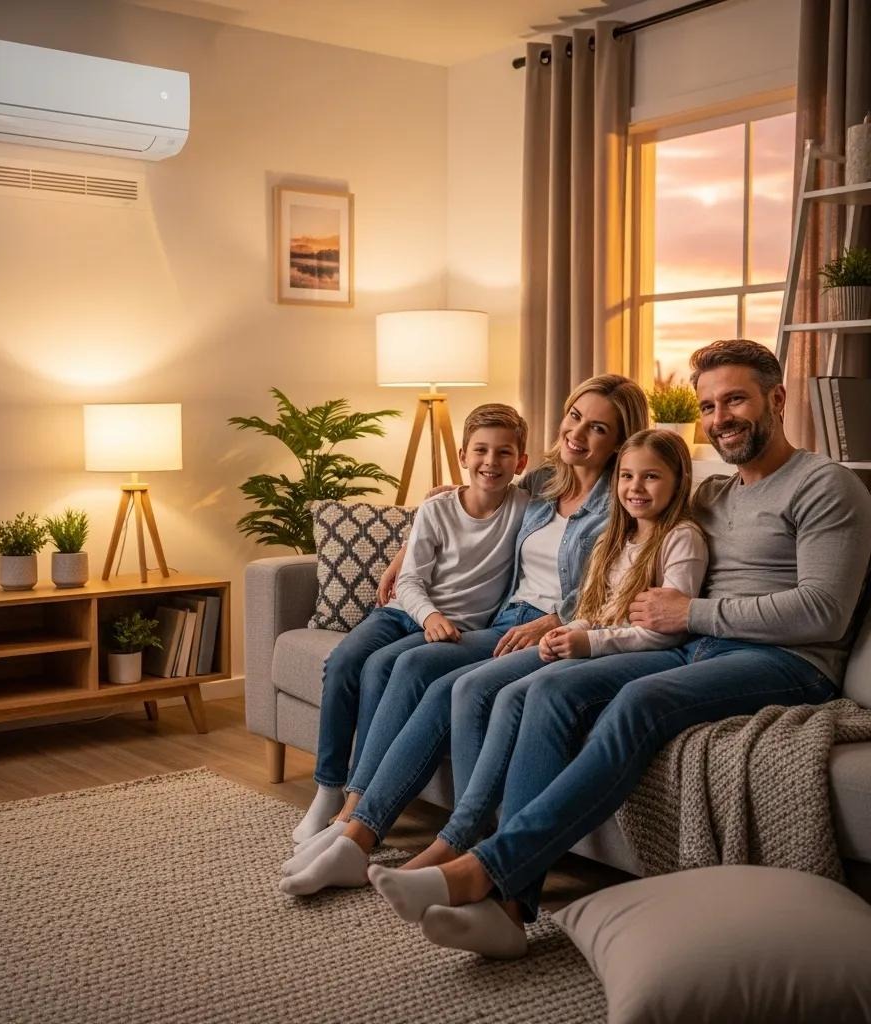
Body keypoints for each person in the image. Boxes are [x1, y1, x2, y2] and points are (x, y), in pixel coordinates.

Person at [366, 339, 871, 960]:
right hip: (696, 648)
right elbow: (633, 503)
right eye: (709, 406)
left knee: (637, 701)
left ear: (777, 398)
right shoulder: (712, 494)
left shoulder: (828, 487)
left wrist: (694, 611)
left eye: (735, 399)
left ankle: (481, 871)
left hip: (788, 664)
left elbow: (825, 610)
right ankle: (509, 909)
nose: (721, 418)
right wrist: (456, 499)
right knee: (550, 688)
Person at [284, 428, 705, 897]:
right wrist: (418, 533)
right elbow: (591, 596)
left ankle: (438, 842)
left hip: (553, 628)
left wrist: (563, 629)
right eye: (575, 417)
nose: (579, 434)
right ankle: (353, 825)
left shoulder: (621, 515)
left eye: (600, 428)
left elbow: (649, 615)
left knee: (454, 686)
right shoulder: (548, 487)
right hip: (521, 620)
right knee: (395, 667)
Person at [291, 404, 532, 843]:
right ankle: (328, 787)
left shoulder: (525, 510)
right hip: (406, 612)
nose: (491, 462)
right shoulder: (439, 509)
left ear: (521, 462)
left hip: (457, 628)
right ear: (463, 455)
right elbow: (412, 580)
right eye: (480, 450)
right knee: (345, 660)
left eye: (503, 453)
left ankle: (357, 800)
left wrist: (442, 622)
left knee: (382, 669)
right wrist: (430, 615)